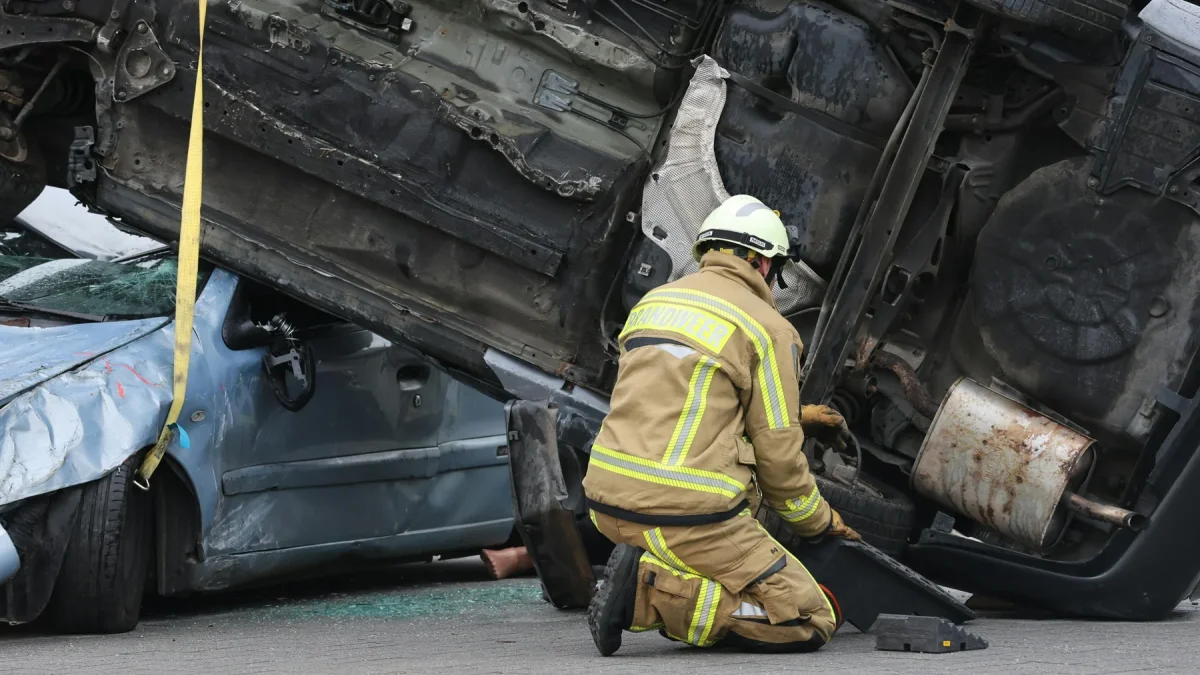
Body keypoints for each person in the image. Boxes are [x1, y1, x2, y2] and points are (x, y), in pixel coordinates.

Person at [583, 194, 860, 656]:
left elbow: (682, 408)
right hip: (684, 517)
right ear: (762, 262)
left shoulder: (653, 303)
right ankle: (644, 594)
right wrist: (821, 523)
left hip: (606, 504)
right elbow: (780, 468)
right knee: (809, 617)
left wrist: (799, 420)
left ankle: (648, 569)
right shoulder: (767, 328)